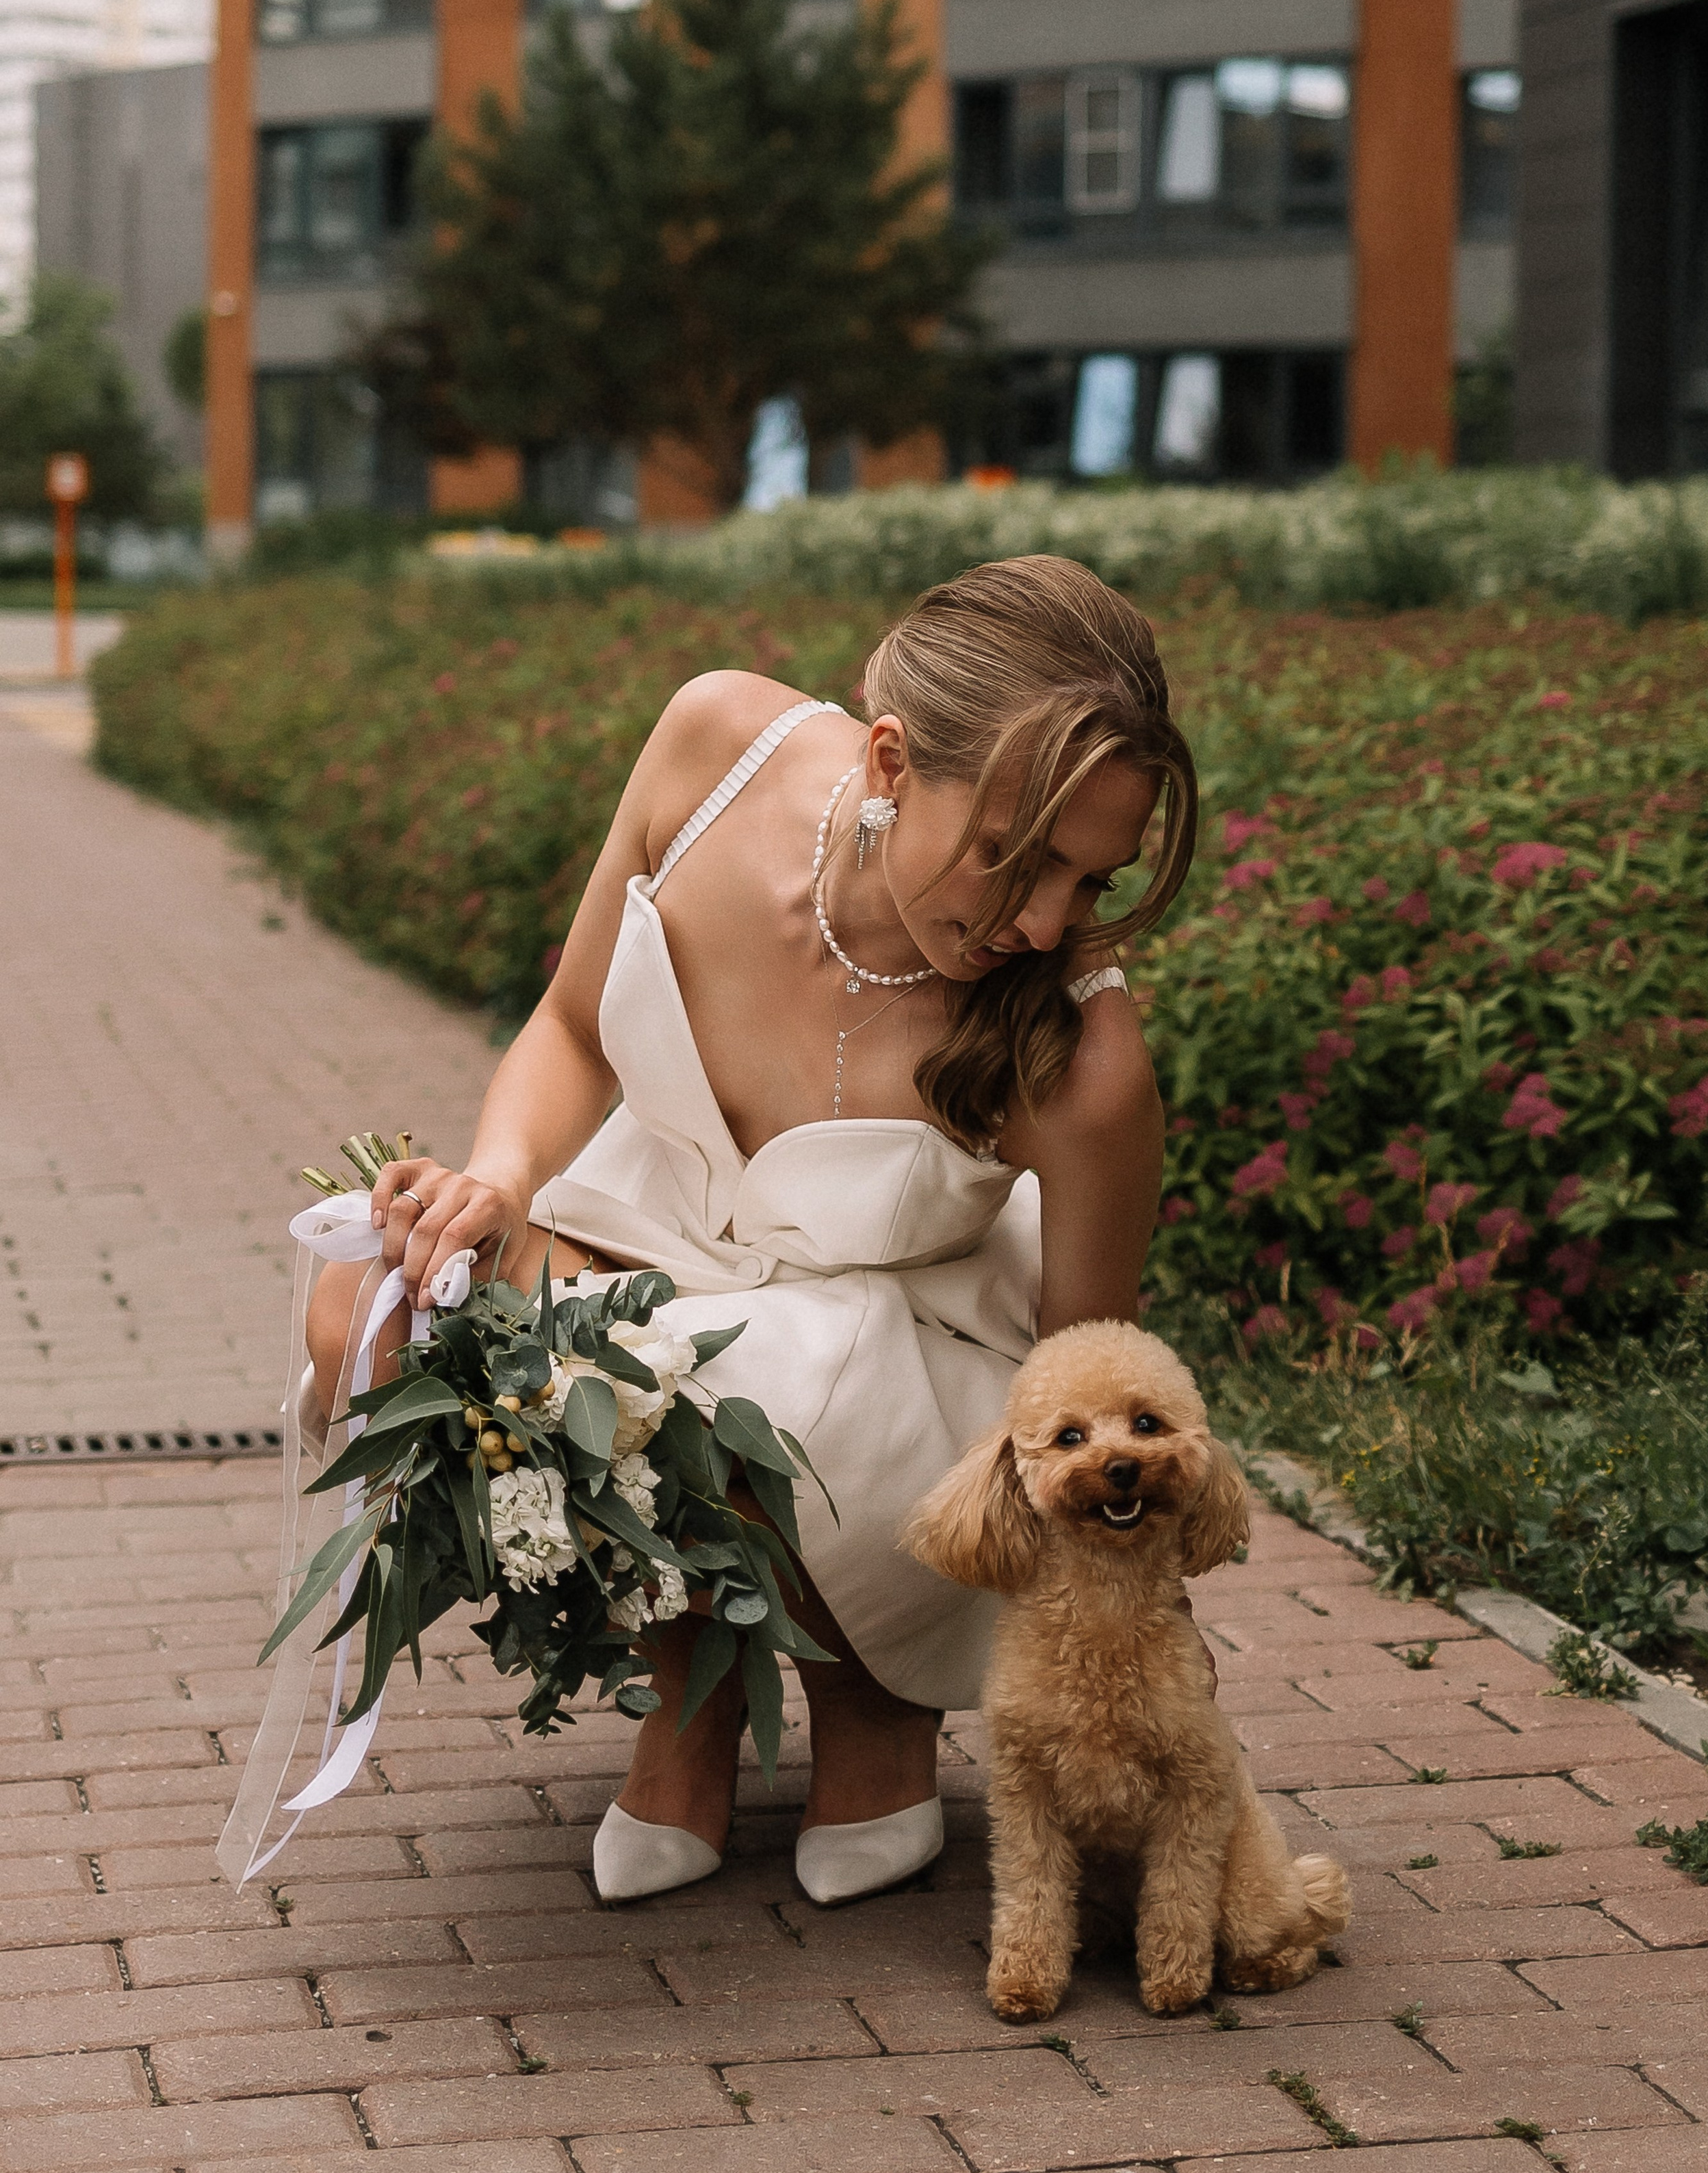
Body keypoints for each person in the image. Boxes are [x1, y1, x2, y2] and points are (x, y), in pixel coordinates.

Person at [306, 554, 1198, 1904]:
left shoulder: (1078, 1052)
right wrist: (495, 1177)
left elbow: (1087, 1385)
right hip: (647, 1252)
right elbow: (567, 1023)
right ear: (890, 762)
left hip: (903, 1378)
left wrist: (1125, 1658)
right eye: (1019, 862)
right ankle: (688, 1692)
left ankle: (874, 1702)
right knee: (382, 1307)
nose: (1041, 922)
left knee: (743, 1375)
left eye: (1087, 880)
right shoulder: (717, 746)